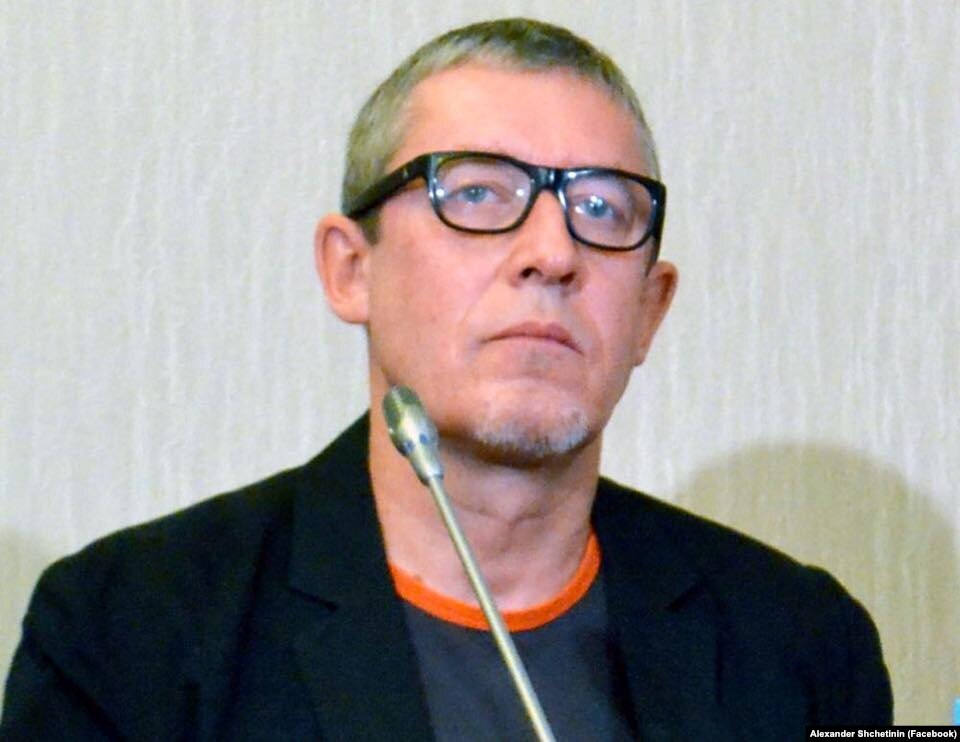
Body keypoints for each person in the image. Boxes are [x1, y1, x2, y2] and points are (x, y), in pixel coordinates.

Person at [1, 18, 891, 740]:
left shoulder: (806, 644)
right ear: (350, 269)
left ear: (650, 311)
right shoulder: (126, 631)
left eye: (601, 208)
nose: (552, 253)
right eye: (476, 193)